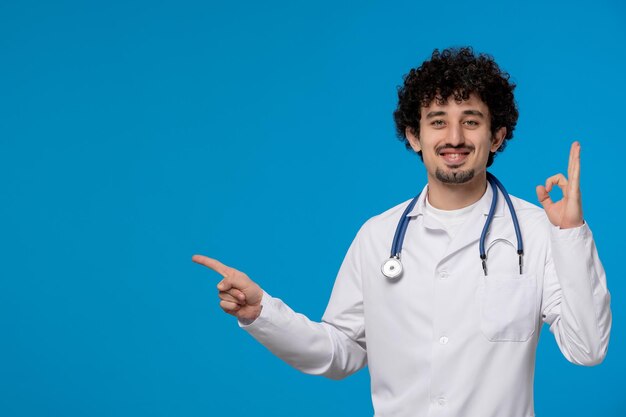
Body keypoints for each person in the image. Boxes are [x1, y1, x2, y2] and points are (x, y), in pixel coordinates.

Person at [192, 47, 611, 417]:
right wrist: (262, 313)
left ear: (497, 136)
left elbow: (588, 349)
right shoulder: (378, 236)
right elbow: (341, 352)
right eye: (437, 122)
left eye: (471, 121)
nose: (454, 138)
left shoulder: (538, 232)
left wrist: (572, 233)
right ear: (414, 135)